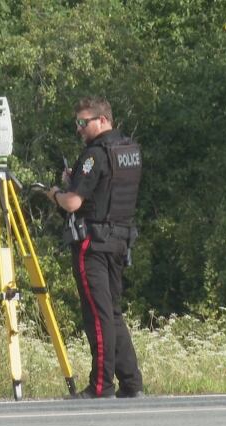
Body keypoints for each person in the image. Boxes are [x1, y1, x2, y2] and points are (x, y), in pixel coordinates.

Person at [46, 96, 144, 399]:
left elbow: (74, 202)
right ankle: (131, 383)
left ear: (102, 120)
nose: (79, 129)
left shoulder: (94, 154)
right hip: (119, 241)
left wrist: (55, 193)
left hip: (93, 244)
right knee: (112, 312)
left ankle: (101, 385)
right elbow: (108, 191)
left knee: (97, 315)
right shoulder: (130, 150)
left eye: (82, 122)